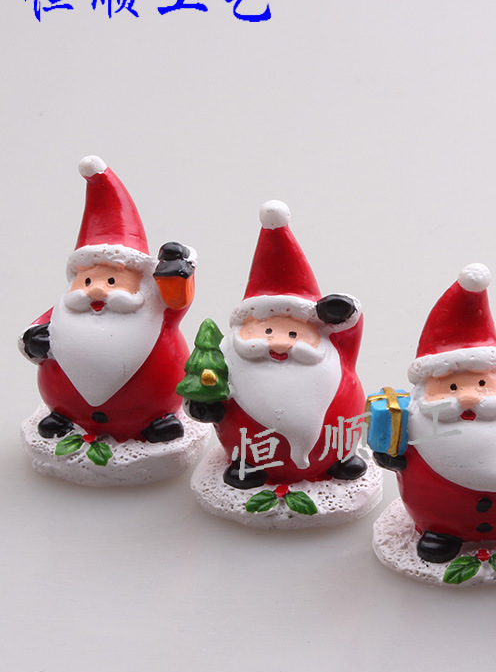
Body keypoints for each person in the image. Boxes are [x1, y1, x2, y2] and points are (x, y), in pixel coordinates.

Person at [374, 263, 496, 563]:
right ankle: (442, 533)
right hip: (440, 513)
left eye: (481, 384)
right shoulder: (414, 416)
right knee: (440, 527)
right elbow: (394, 447)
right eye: (451, 387)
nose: (467, 397)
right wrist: (390, 456)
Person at [186, 200, 367, 488]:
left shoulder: (333, 352)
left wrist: (342, 310)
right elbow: (210, 390)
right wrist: (206, 406)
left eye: (294, 333)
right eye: (267, 331)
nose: (280, 344)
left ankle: (338, 460)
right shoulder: (230, 357)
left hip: (334, 441)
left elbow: (351, 325)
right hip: (254, 448)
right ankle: (248, 464)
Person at [21, 155, 195, 443]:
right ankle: (66, 417)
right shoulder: (66, 310)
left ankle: (157, 420)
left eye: (112, 281)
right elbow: (37, 331)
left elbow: (178, 300)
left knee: (154, 413)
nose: (97, 290)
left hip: (148, 404)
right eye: (88, 281)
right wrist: (34, 340)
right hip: (69, 404)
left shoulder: (153, 306)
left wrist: (177, 272)